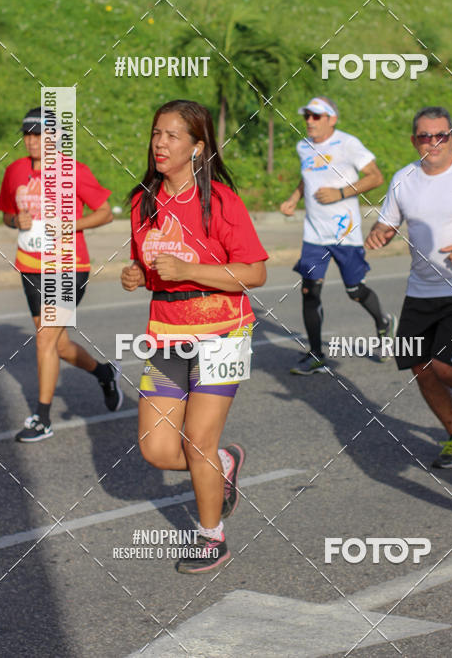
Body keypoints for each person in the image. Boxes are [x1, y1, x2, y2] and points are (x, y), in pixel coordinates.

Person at [121, 99, 267, 574]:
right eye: (156, 134)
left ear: (197, 147)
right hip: (165, 335)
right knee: (158, 449)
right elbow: (152, 266)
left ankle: (212, 538)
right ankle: (223, 464)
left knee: (197, 440)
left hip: (224, 332)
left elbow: (255, 273)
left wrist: (190, 270)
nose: (160, 143)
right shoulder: (142, 200)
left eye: (173, 136)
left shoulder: (220, 201)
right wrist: (136, 276)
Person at [365, 106, 452, 468]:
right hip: (421, 290)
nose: (433, 142)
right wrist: (380, 233)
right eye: (425, 136)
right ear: (414, 141)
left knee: (446, 366)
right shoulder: (403, 179)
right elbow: (387, 224)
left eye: (441, 135)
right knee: (419, 365)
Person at [0, 107, 121, 443]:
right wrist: (15, 221)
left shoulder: (74, 172)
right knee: (58, 343)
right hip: (30, 266)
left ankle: (42, 418)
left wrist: (69, 225)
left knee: (44, 340)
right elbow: (8, 215)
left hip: (67, 265)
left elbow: (105, 213)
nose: (32, 140)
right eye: (28, 133)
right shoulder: (14, 172)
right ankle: (104, 372)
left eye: (40, 134)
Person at [280, 96, 394, 375]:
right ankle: (317, 355)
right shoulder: (303, 146)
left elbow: (375, 176)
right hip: (315, 233)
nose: (309, 121)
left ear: (332, 119)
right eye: (307, 115)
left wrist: (340, 193)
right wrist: (294, 198)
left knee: (355, 291)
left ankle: (384, 321)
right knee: (309, 291)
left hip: (345, 233)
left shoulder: (347, 143)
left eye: (316, 116)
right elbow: (307, 176)